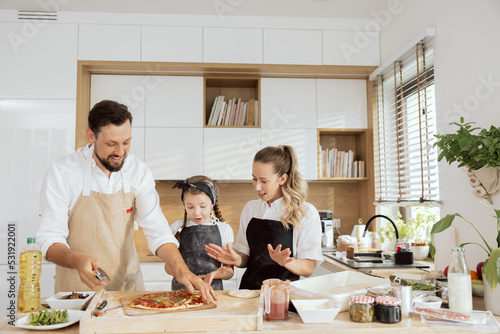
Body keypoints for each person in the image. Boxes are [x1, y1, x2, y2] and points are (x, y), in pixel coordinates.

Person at [36, 100, 216, 302]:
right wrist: (78, 260)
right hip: (77, 293)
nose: (120, 152)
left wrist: (181, 269)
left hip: (127, 290)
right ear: (91, 136)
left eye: (126, 142)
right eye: (111, 144)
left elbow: (156, 229)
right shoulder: (62, 173)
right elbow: (49, 239)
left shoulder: (137, 171)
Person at [205, 145, 323, 289]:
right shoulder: (251, 208)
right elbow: (245, 257)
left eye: (264, 181)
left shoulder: (305, 212)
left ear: (282, 179)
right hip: (248, 292)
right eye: (254, 179)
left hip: (283, 296)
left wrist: (285, 262)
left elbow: (309, 268)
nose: (257, 187)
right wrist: (236, 259)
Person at [170, 176, 234, 290]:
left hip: (212, 290)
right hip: (182, 290)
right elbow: (167, 266)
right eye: (190, 207)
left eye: (202, 206)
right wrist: (175, 270)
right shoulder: (176, 228)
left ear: (212, 203)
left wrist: (215, 274)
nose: (196, 213)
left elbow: (229, 271)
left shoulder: (224, 229)